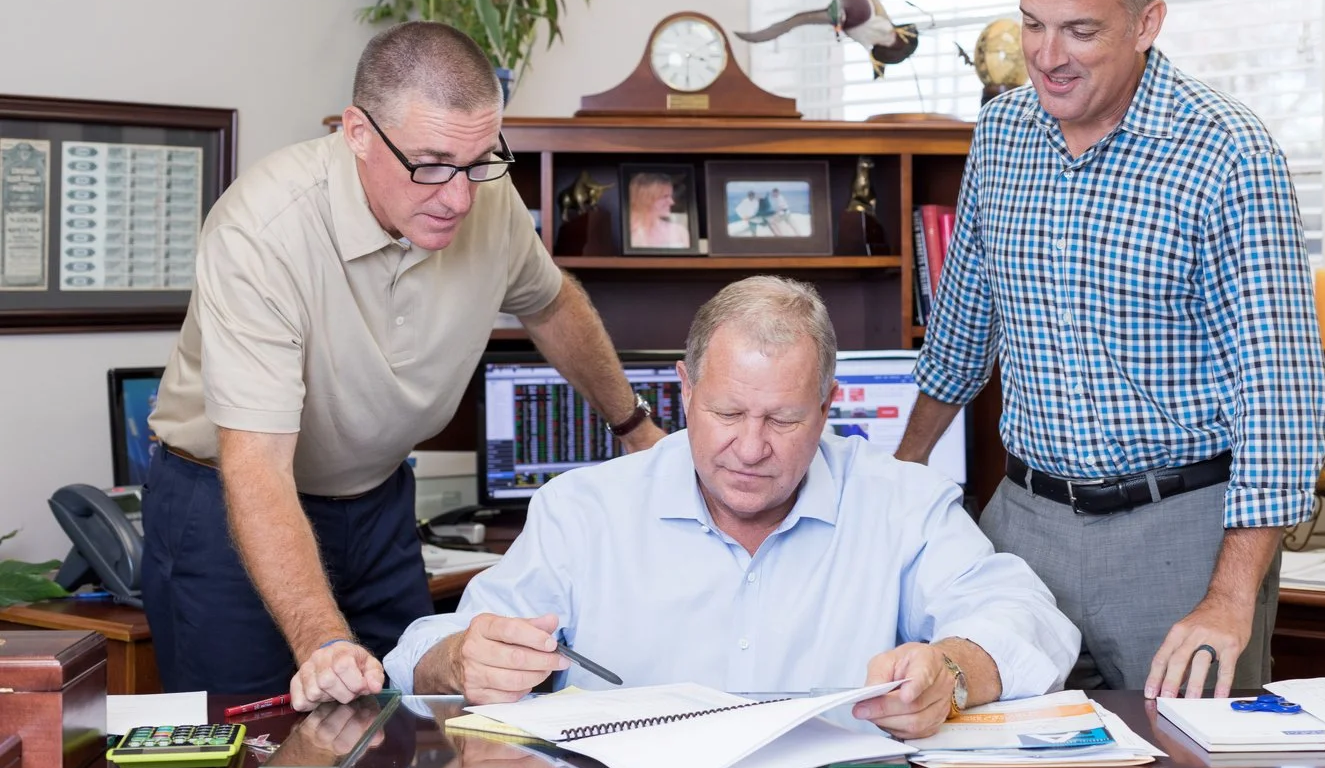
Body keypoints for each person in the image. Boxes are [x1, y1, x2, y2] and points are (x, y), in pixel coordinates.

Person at [145, 21, 667, 710]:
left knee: (418, 718)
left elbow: (550, 303)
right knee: (262, 747)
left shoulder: (483, 198)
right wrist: (323, 640)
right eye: (430, 164)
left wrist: (633, 425)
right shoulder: (263, 232)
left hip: (378, 503)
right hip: (230, 503)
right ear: (357, 132)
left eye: (480, 160)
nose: (458, 196)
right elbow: (258, 467)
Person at [894, 0, 1325, 701]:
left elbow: (1282, 399)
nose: (1047, 55)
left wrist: (1230, 601)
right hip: (1022, 530)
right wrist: (900, 479)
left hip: (1179, 539)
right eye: (1032, 22)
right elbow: (960, 334)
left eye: (1081, 30)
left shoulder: (1226, 153)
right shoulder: (1003, 134)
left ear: (1146, 21)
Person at [386, 276, 1079, 740]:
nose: (750, 449)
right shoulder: (584, 511)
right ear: (684, 390)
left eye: (784, 419)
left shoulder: (899, 501)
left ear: (827, 407)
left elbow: (1030, 620)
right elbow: (421, 654)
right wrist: (457, 660)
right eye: (726, 412)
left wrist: (953, 672)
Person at [627, 172, 691, 249]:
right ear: (645, 198)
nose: (671, 202)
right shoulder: (627, 234)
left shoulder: (679, 231)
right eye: (664, 197)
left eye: (670, 196)